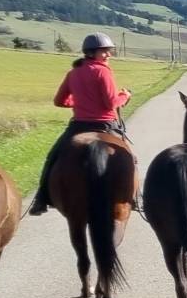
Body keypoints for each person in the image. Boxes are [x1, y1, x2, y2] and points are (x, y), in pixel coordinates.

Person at [27, 32, 132, 216]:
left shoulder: (73, 72)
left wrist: (81, 103)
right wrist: (125, 96)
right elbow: (110, 103)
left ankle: (41, 199)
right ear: (91, 52)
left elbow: (59, 101)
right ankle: (135, 196)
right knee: (129, 159)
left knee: (53, 156)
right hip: (105, 125)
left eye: (109, 51)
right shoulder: (103, 71)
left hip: (78, 127)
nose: (109, 55)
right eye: (104, 51)